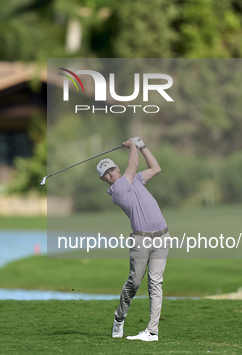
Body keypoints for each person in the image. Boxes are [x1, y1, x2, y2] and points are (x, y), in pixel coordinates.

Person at [97, 137, 170, 342]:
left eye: (111, 170)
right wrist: (132, 146)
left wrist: (143, 146)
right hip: (141, 240)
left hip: (162, 236)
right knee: (134, 283)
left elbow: (155, 168)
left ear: (117, 168)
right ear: (104, 179)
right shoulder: (117, 191)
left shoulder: (135, 179)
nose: (110, 174)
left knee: (156, 284)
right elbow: (134, 163)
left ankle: (152, 332)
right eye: (106, 174)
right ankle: (119, 317)